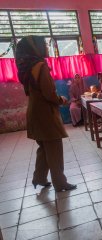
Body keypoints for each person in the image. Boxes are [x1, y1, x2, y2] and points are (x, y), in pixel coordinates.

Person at [15, 35, 76, 192]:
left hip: (35, 112)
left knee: (44, 149)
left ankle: (39, 178)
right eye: (44, 45)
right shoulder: (40, 66)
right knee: (54, 149)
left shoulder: (28, 67)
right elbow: (49, 94)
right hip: (45, 115)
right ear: (35, 48)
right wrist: (61, 99)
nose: (47, 48)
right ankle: (60, 183)